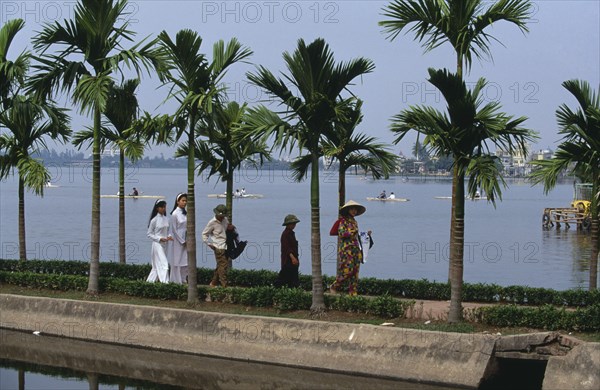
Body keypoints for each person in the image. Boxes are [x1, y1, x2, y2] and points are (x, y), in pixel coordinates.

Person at [330, 200, 366, 296]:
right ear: (348, 210)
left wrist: (366, 234)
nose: (354, 211)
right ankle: (335, 285)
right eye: (352, 209)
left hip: (355, 248)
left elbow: (357, 235)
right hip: (346, 249)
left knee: (355, 272)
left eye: (355, 209)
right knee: (347, 270)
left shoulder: (354, 221)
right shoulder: (343, 221)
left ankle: (353, 294)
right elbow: (341, 233)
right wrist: (352, 232)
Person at [202, 204, 232, 287]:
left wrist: (230, 227)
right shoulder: (212, 222)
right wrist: (209, 244)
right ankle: (224, 285)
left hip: (226, 245)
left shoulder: (225, 220)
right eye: (221, 216)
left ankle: (213, 283)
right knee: (223, 266)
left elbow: (227, 228)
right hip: (218, 246)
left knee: (220, 265)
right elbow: (204, 234)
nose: (222, 217)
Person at [146, 199, 172, 283]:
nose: (163, 209)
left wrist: (169, 237)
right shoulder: (154, 220)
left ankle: (149, 283)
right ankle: (166, 284)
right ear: (157, 208)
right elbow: (149, 234)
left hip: (166, 244)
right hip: (157, 245)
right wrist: (159, 238)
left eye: (164, 207)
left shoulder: (167, 219)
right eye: (162, 207)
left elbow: (169, 231)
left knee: (156, 266)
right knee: (164, 264)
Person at [274, 214, 300, 288]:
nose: (294, 225)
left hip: (293, 259)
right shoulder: (285, 234)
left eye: (295, 223)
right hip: (288, 260)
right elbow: (287, 248)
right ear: (288, 224)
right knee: (282, 278)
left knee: (293, 279)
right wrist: (293, 258)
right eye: (292, 224)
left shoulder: (291, 233)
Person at [169, 193, 188, 284]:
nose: (184, 202)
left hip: (187, 237)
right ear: (177, 202)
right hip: (178, 239)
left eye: (185, 201)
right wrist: (182, 241)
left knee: (186, 259)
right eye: (183, 201)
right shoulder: (174, 214)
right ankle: (176, 280)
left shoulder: (186, 213)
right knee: (177, 259)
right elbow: (174, 230)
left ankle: (184, 278)